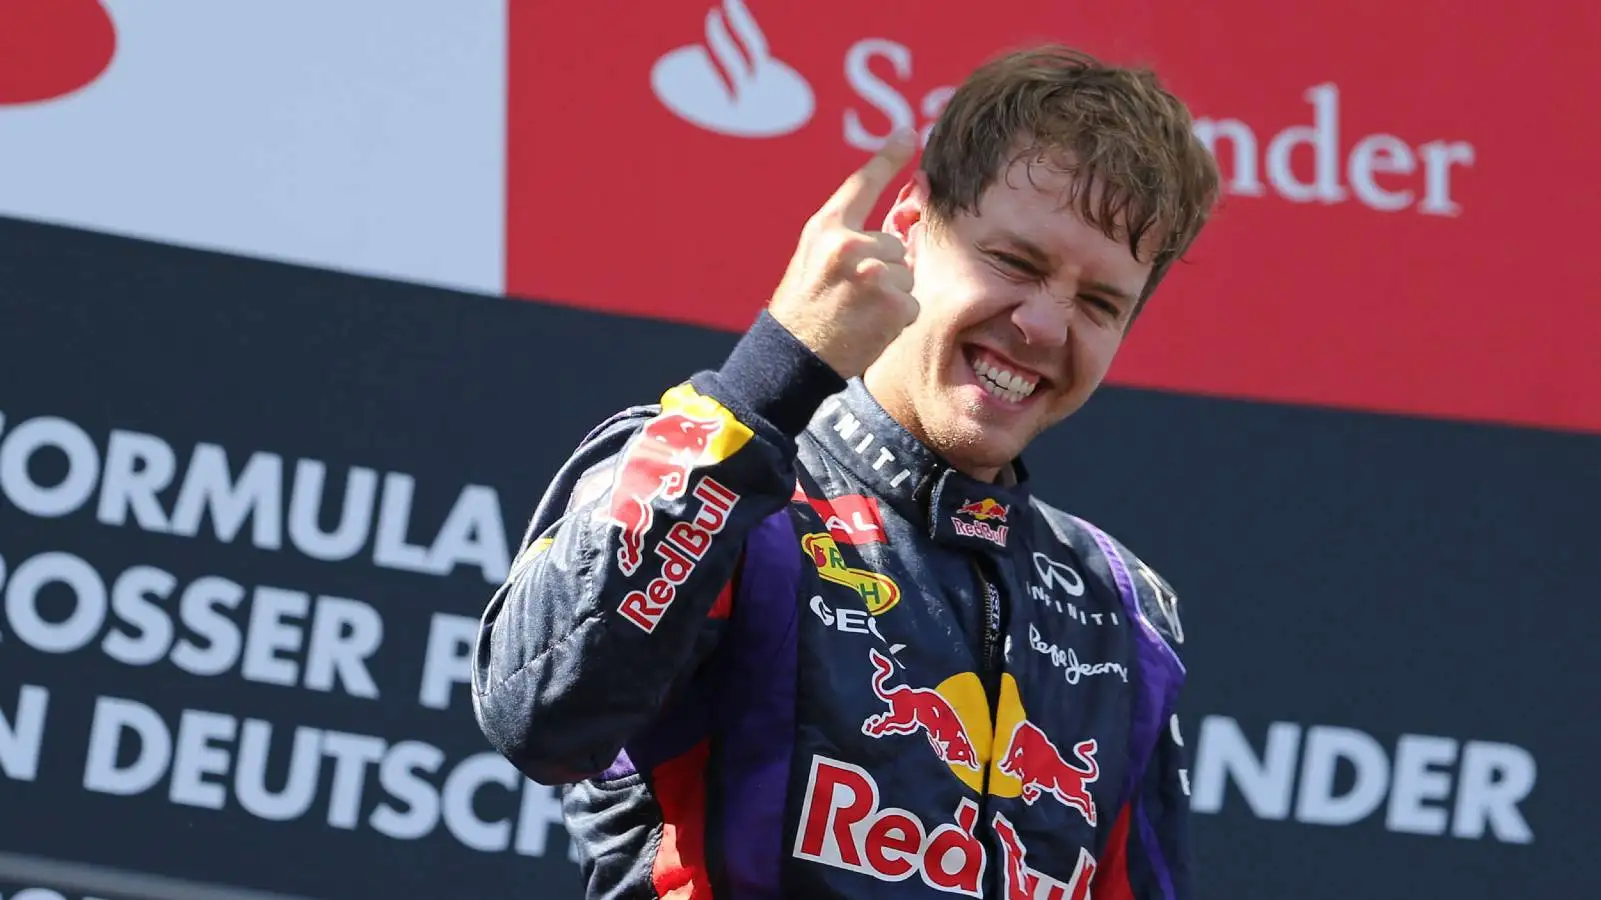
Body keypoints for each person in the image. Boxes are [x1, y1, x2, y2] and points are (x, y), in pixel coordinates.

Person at [473, 44, 1220, 900]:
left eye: (1098, 304)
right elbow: (538, 712)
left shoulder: (1125, 609)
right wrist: (769, 378)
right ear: (908, 228)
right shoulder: (725, 479)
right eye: (1014, 263)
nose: (1045, 326)